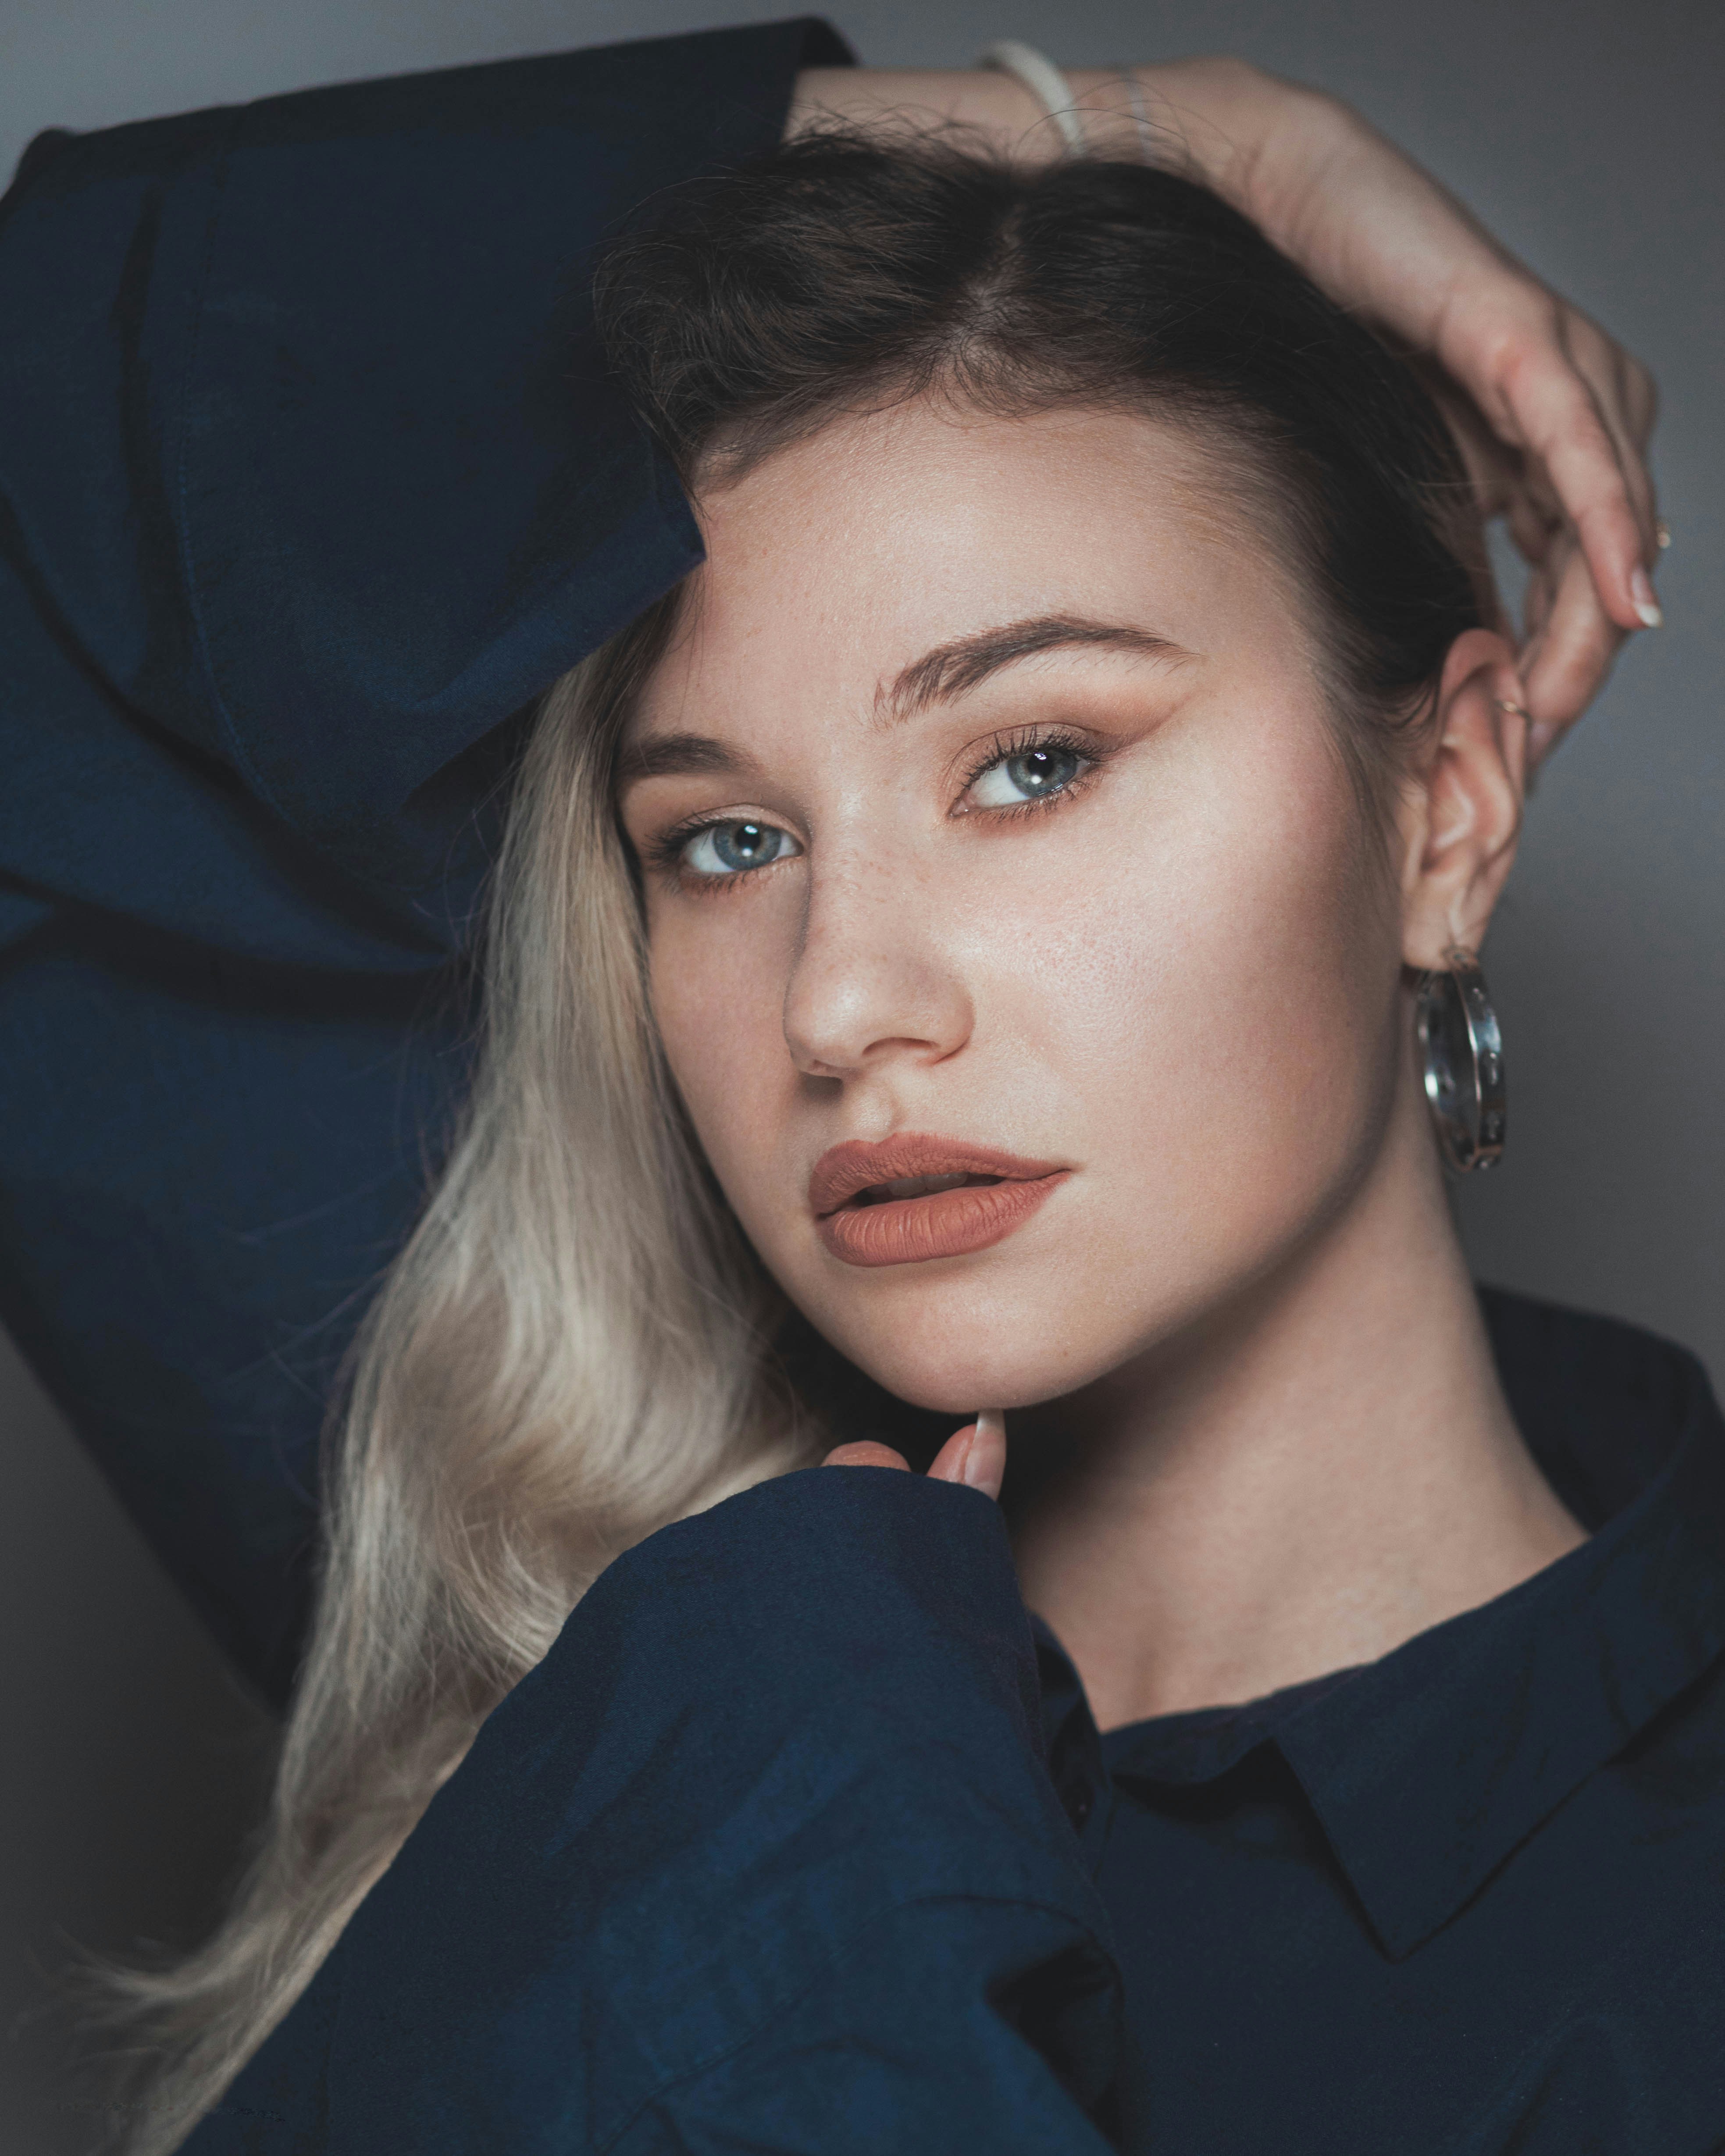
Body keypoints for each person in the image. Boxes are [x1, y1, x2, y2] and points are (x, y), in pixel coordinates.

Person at [0, 25, 1701, 2156]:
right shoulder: (596, 1594)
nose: (838, 1003)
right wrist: (1173, 135)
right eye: (727, 840)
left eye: (1034, 763)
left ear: (1446, 806)